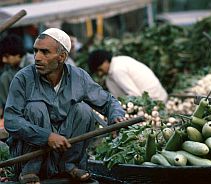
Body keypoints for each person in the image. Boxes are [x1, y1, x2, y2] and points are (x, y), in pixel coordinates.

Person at [4, 28, 126, 183]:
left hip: (64, 151)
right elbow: (11, 120)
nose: (37, 57)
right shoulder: (23, 79)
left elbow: (107, 101)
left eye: (45, 52)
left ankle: (70, 166)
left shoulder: (78, 77)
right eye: (35, 51)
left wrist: (116, 115)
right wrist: (46, 136)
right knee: (36, 108)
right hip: (30, 155)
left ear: (62, 57)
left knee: (83, 110)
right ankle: (30, 171)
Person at [87, 49, 168, 102]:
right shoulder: (119, 61)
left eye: (100, 70)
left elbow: (135, 94)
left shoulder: (117, 70)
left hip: (155, 100)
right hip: (158, 96)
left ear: (105, 61)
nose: (100, 74)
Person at [0, 34, 34, 122]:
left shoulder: (32, 64)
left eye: (7, 56)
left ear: (18, 54)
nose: (4, 60)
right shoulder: (9, 68)